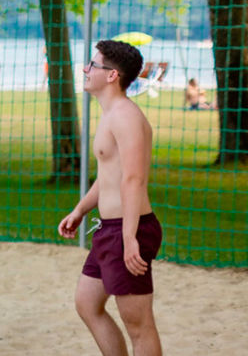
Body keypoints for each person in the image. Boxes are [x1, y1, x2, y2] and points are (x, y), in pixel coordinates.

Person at [58, 40, 164, 356]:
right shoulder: (110, 114)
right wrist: (80, 209)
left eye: (93, 65)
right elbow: (109, 178)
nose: (85, 69)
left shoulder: (126, 116)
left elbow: (133, 179)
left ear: (112, 75)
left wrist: (130, 238)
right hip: (111, 230)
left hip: (127, 230)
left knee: (139, 325)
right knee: (87, 303)